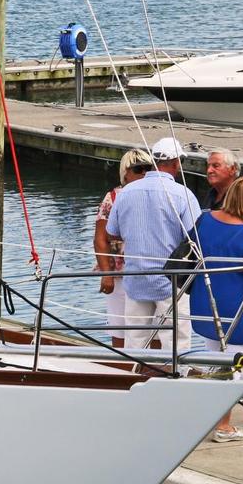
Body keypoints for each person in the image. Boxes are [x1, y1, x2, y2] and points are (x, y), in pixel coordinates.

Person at [189, 176, 243, 441]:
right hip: (239, 311)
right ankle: (224, 427)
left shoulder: (204, 221)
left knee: (214, 361)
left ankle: (212, 417)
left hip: (207, 304)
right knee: (235, 367)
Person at [105, 137, 201, 352]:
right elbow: (195, 237)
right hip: (171, 280)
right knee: (175, 339)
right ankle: (176, 377)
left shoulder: (126, 193)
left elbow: (111, 233)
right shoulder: (183, 195)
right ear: (176, 163)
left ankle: (133, 376)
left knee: (135, 339)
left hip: (135, 277)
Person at [95, 148, 151, 348]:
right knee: (119, 327)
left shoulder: (154, 194)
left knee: (153, 329)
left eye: (148, 168)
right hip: (119, 272)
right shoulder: (113, 197)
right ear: (125, 172)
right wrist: (106, 274)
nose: (144, 173)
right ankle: (122, 367)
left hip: (147, 271)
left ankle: (153, 368)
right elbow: (100, 239)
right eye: (138, 169)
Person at [202, 148, 243, 243]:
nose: (209, 170)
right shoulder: (211, 194)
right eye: (208, 166)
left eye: (215, 166)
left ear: (232, 169)